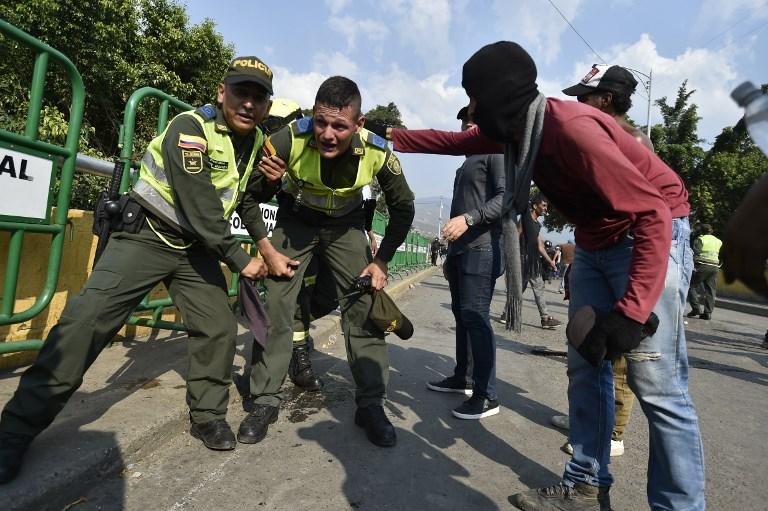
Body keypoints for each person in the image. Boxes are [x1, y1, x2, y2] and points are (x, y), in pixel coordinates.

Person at [378, 42, 705, 511]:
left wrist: (632, 313)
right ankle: (587, 487)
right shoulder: (519, 131)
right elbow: (454, 141)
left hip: (650, 234)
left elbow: (653, 211)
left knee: (657, 386)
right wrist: (386, 134)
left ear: (497, 97)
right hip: (596, 240)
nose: (469, 109)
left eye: (473, 97)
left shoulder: (572, 129)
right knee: (586, 364)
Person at [0, 56, 285, 484]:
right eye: (240, 93)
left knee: (219, 327)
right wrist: (241, 259)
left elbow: (242, 200)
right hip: (148, 234)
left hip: (197, 250)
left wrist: (271, 188)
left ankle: (207, 414)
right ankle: (15, 431)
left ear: (266, 106)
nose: (248, 104)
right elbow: (198, 202)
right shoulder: (190, 128)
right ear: (221, 92)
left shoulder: (257, 143)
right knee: (86, 322)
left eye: (258, 97)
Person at [236, 76, 415, 448]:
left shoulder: (378, 151)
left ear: (359, 125)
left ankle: (370, 405)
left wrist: (381, 262)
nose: (328, 134)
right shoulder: (287, 138)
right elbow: (249, 198)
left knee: (364, 306)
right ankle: (265, 399)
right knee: (278, 305)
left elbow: (403, 209)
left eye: (340, 125)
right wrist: (267, 249)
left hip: (345, 227)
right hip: (296, 220)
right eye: (321, 122)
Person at [551, 64, 658, 459]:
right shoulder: (594, 138)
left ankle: (612, 430)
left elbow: (646, 212)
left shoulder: (634, 141)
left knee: (619, 349)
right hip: (596, 250)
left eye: (586, 97)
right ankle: (590, 419)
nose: (578, 104)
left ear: (607, 100)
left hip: (623, 253)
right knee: (587, 342)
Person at [425, 106, 505, 419]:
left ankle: (488, 395)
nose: (466, 124)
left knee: (476, 317)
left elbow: (505, 197)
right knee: (462, 316)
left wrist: (470, 219)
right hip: (461, 251)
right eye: (463, 121)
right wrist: (450, 255)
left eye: (473, 119)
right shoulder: (467, 162)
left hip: (482, 248)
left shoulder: (495, 152)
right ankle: (464, 377)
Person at [522, 196, 562, 329]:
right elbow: (514, 237)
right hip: (522, 260)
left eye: (546, 206)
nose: (545, 209)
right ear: (534, 206)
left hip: (533, 262)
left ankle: (545, 318)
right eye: (543, 206)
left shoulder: (537, 225)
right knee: (518, 289)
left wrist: (550, 261)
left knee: (538, 287)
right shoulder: (525, 220)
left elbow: (540, 246)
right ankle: (507, 314)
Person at [687, 223, 722, 320]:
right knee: (711, 290)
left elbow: (695, 254)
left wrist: (693, 266)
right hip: (714, 267)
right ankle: (707, 313)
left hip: (702, 266)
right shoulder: (718, 241)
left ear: (701, 231)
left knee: (691, 286)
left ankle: (696, 309)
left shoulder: (700, 239)